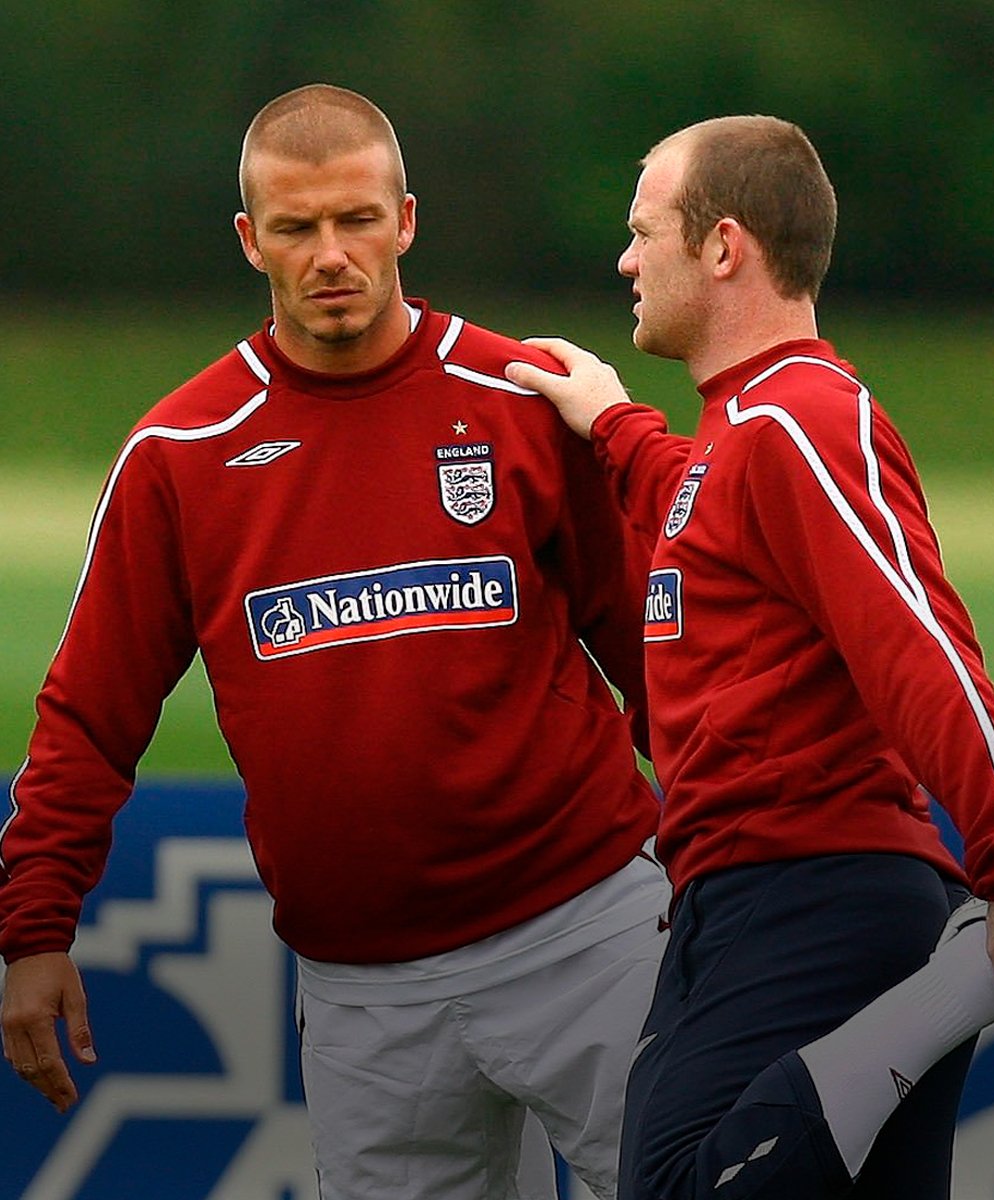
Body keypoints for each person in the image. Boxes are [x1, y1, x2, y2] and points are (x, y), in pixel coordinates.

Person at [503, 115, 994, 1199]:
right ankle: (950, 980)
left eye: (646, 232)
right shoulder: (745, 430)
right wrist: (610, 424)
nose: (626, 260)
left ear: (723, 246)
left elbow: (917, 639)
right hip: (770, 897)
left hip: (809, 897)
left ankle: (963, 979)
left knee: (679, 1185)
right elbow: (702, 506)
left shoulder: (799, 418)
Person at [0, 84, 672, 1200]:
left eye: (356, 220)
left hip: (591, 932)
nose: (330, 254)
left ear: (405, 220)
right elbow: (87, 716)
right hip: (365, 989)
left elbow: (650, 645)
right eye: (297, 226)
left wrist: (733, 855)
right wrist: (33, 929)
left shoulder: (521, 397)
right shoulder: (182, 451)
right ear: (248, 239)